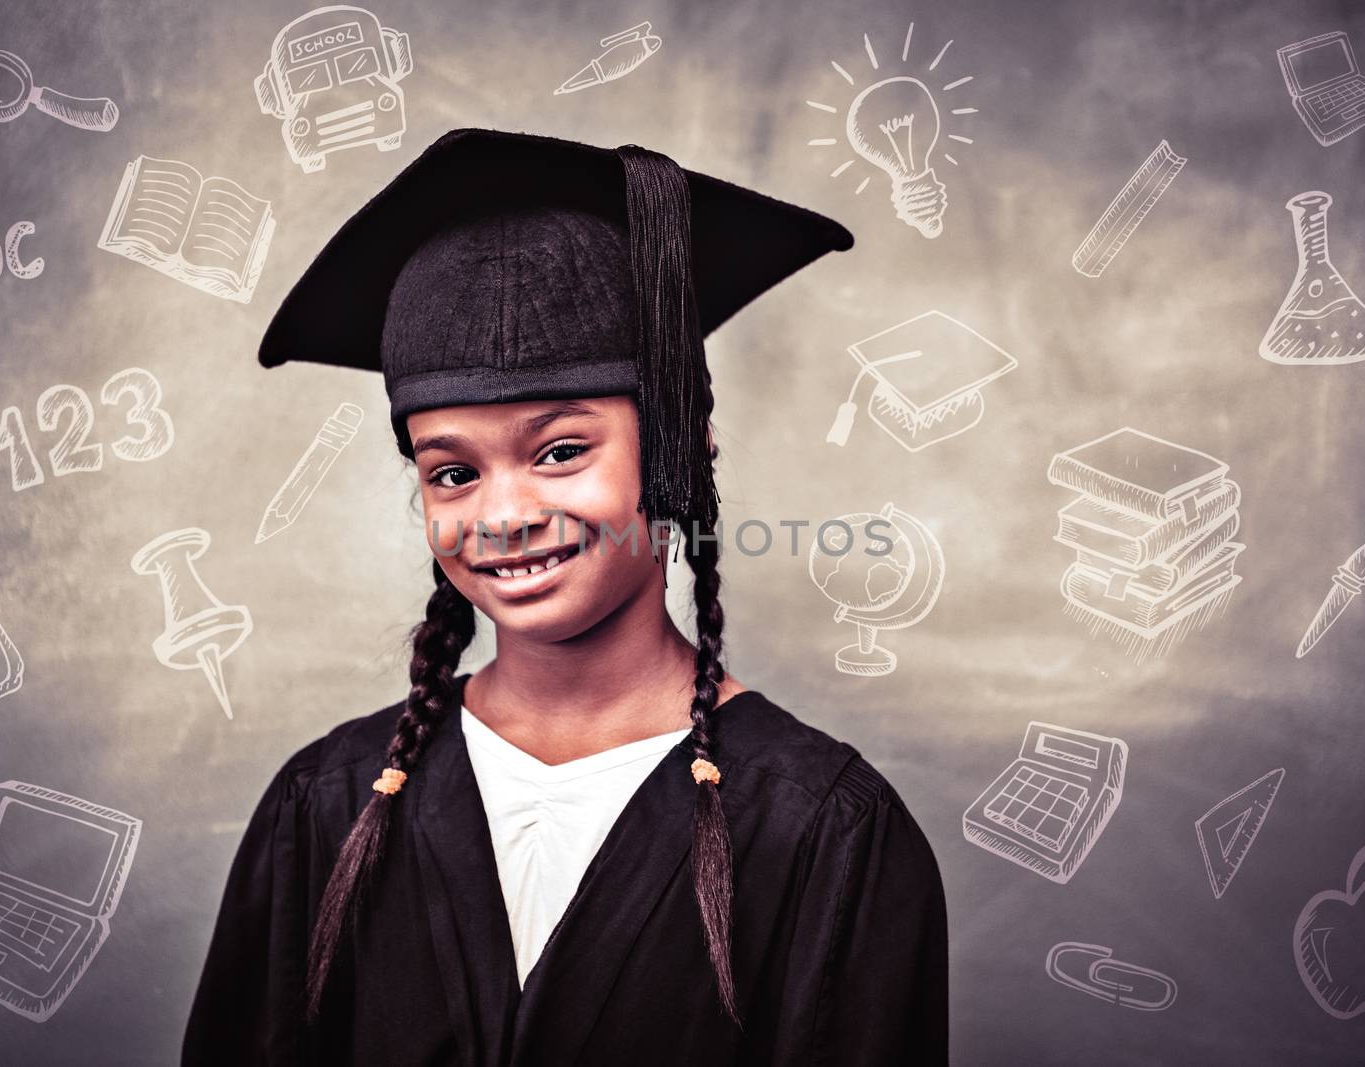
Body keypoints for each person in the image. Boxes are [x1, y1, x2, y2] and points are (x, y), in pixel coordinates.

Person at [182, 127, 949, 1065]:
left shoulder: (824, 827)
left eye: (559, 452)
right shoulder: (328, 807)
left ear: (678, 444)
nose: (503, 514)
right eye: (452, 473)